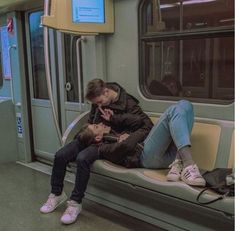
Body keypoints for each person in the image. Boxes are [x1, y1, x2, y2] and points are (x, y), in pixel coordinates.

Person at [40, 79, 153, 224]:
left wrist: (114, 119)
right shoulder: (98, 101)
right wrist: (89, 131)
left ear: (106, 92)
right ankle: (56, 193)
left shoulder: (128, 103)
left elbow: (144, 124)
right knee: (61, 155)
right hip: (93, 135)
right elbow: (91, 120)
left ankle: (75, 202)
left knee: (82, 158)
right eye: (96, 103)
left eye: (100, 102)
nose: (98, 106)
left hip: (107, 140)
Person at [78, 100, 206, 187]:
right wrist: (133, 136)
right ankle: (188, 164)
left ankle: (178, 163)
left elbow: (142, 122)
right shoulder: (104, 148)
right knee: (173, 111)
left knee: (185, 104)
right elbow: (128, 144)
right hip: (146, 158)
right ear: (98, 137)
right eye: (96, 127)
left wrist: (114, 118)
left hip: (165, 157)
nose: (100, 123)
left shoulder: (114, 129)